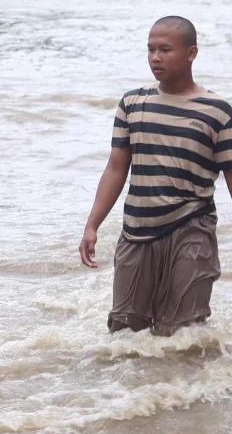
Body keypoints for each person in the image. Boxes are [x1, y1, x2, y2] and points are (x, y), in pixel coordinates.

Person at [80, 17, 232, 335]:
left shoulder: (217, 112)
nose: (155, 58)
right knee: (124, 332)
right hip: (136, 232)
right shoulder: (133, 104)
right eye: (150, 49)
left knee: (184, 334)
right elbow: (116, 168)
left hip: (192, 231)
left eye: (165, 50)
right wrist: (92, 224)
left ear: (191, 53)